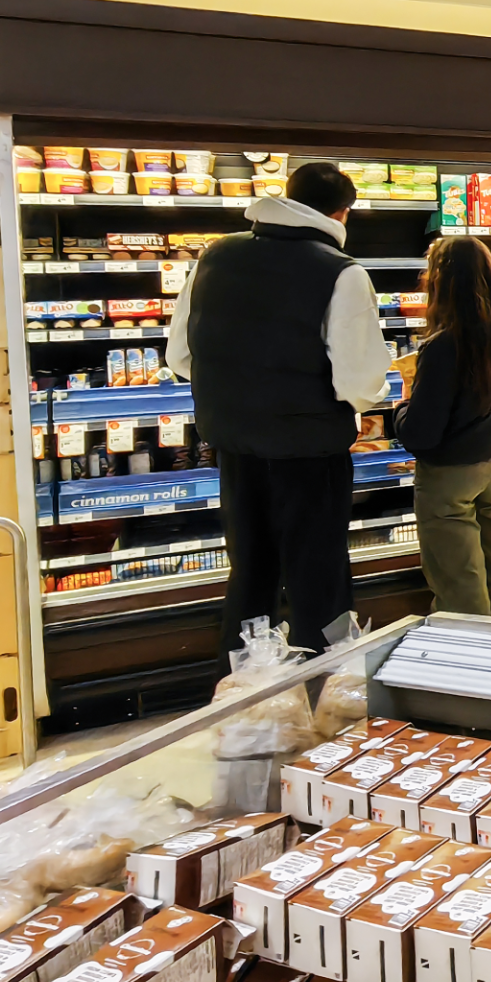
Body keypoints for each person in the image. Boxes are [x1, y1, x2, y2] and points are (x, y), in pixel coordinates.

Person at [168, 162, 392, 654]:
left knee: (250, 569)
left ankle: (247, 696)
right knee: (318, 576)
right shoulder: (340, 271)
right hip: (310, 451)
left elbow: (180, 357)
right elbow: (360, 382)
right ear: (342, 213)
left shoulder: (214, 258)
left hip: (235, 445)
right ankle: (327, 693)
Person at [392, 237, 491, 619]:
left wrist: (401, 408)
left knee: (460, 582)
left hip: (450, 477)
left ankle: (474, 668)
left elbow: (421, 433)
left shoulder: (444, 345)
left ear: (441, 280)